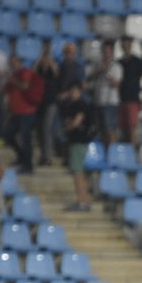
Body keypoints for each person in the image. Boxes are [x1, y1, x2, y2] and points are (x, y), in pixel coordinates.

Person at [45, 42, 85, 165]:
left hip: (71, 104)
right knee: (57, 130)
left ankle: (68, 158)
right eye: (66, 53)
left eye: (70, 53)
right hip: (60, 103)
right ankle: (60, 155)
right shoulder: (62, 66)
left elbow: (80, 86)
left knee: (69, 130)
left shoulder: (78, 67)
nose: (68, 55)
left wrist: (67, 94)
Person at [61, 82, 95, 211]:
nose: (72, 93)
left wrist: (67, 127)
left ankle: (82, 201)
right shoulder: (74, 105)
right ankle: (84, 200)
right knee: (79, 172)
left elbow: (76, 122)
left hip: (78, 141)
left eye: (75, 91)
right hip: (79, 142)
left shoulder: (80, 105)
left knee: (77, 173)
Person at [3, 54, 39, 174]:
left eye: (15, 62)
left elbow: (25, 85)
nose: (13, 64)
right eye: (11, 62)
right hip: (16, 112)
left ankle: (28, 166)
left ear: (19, 62)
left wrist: (12, 80)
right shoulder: (13, 75)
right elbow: (6, 89)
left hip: (27, 112)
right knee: (8, 135)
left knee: (26, 139)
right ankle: (21, 158)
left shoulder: (24, 72)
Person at [89, 40, 122, 144]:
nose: (106, 53)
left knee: (109, 130)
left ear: (112, 52)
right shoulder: (98, 65)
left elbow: (116, 85)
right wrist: (99, 71)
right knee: (100, 131)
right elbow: (90, 78)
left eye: (108, 51)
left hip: (110, 103)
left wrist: (107, 73)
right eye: (104, 51)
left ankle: (112, 153)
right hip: (98, 102)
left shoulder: (117, 66)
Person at [117, 36, 142, 144]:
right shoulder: (119, 62)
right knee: (123, 128)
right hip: (121, 98)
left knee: (132, 128)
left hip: (133, 99)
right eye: (123, 44)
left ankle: (132, 152)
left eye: (127, 44)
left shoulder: (137, 61)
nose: (125, 47)